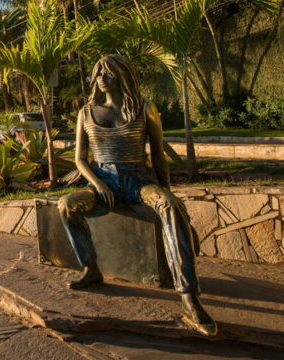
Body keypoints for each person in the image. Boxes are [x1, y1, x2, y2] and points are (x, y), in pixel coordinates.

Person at [57, 54, 217, 337]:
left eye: (108, 73)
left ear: (122, 76)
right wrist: (98, 184)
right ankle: (90, 268)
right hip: (102, 180)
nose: (101, 79)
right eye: (98, 74)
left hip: (138, 180)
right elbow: (80, 159)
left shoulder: (145, 108)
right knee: (66, 205)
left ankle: (188, 296)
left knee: (169, 205)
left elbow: (158, 155)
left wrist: (166, 191)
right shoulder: (86, 112)